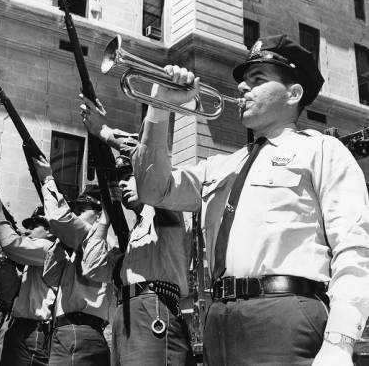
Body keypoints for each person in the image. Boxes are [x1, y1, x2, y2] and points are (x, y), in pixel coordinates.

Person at [130, 34, 369, 366]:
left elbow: (355, 248)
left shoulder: (322, 150)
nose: (243, 87)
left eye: (257, 79)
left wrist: (340, 341)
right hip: (220, 319)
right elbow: (153, 189)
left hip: (286, 315)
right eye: (244, 79)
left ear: (293, 93)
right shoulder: (219, 165)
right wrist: (160, 105)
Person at [78, 100, 194, 365]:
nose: (123, 181)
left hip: (154, 307)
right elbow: (93, 267)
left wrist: (105, 132)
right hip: (126, 315)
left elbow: (151, 167)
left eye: (129, 174)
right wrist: (107, 215)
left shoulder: (167, 211)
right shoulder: (135, 232)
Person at [31, 160, 111, 366]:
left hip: (76, 330)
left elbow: (59, 218)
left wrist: (47, 178)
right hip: (72, 332)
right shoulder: (79, 242)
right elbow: (51, 277)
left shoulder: (94, 239)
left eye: (82, 209)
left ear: (100, 212)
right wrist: (61, 242)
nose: (76, 215)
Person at [0, 197, 55, 366]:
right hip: (21, 327)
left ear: (50, 231)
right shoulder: (32, 257)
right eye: (27, 226)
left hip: (34, 329)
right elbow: (8, 294)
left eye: (34, 226)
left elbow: (11, 245)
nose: (27, 231)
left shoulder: (48, 248)